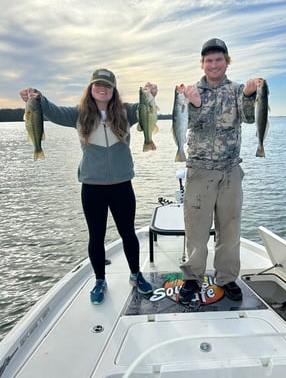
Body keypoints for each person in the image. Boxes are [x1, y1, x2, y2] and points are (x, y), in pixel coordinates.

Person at [20, 68, 153, 305]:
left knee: (128, 234)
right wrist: (37, 96)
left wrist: (151, 92)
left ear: (114, 91)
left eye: (108, 86)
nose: (103, 89)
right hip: (92, 187)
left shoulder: (126, 112)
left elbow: (146, 107)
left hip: (122, 185)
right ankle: (100, 280)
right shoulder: (78, 114)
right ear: (91, 88)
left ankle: (136, 274)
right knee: (96, 236)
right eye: (98, 85)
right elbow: (51, 111)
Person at [179, 38, 259, 304]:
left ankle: (226, 278)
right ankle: (192, 278)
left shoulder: (237, 90)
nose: (214, 65)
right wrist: (193, 104)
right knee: (196, 231)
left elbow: (248, 119)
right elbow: (185, 124)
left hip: (230, 171)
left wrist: (249, 96)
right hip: (199, 171)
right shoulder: (189, 91)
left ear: (227, 61)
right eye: (209, 60)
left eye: (219, 59)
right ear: (202, 63)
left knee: (230, 230)